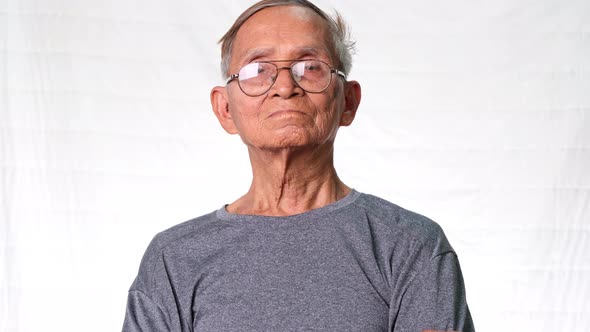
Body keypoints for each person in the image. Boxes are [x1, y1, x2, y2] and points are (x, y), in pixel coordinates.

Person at [122, 0, 475, 331]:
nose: (285, 86)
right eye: (257, 69)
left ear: (348, 101)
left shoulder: (411, 246)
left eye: (310, 67)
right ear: (225, 109)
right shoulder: (173, 259)